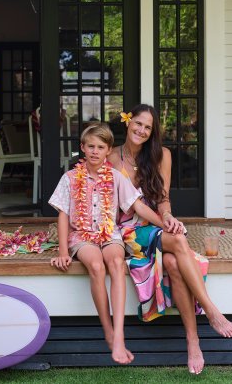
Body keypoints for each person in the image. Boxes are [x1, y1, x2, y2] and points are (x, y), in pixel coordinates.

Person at [108, 104, 232, 374]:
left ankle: (193, 342)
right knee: (179, 242)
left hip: (154, 226)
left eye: (148, 127)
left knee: (173, 262)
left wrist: (167, 216)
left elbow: (162, 199)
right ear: (127, 122)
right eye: (138, 124)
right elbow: (120, 207)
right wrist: (163, 223)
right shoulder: (110, 157)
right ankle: (212, 311)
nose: (142, 130)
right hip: (126, 231)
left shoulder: (161, 155)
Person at [49, 123, 170, 365]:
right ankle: (107, 330)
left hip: (109, 233)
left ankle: (119, 335)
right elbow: (63, 215)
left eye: (100, 147)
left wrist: (165, 223)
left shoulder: (115, 177)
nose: (95, 151)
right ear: (82, 148)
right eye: (90, 146)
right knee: (95, 266)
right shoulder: (70, 178)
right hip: (81, 236)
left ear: (108, 151)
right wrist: (63, 251)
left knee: (115, 261)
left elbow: (138, 206)